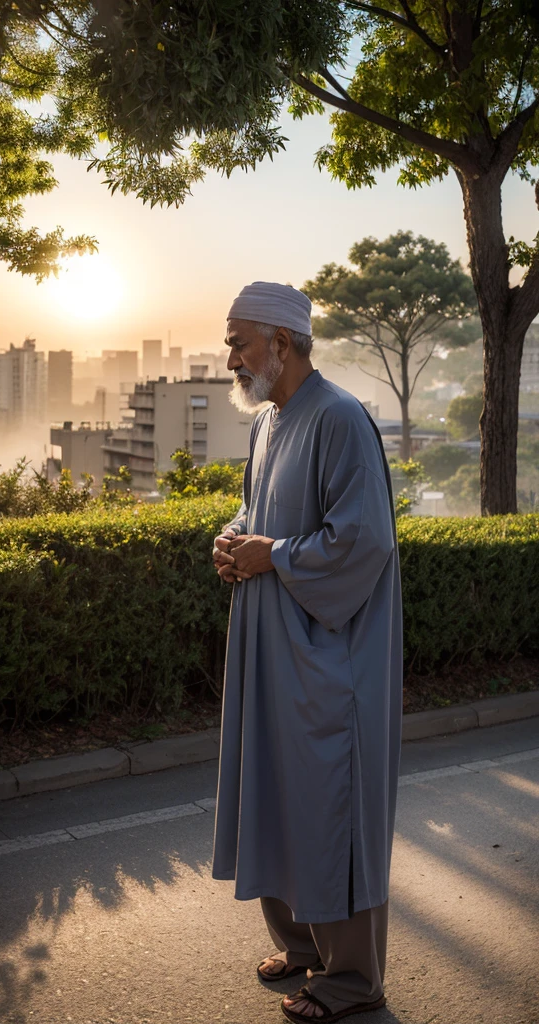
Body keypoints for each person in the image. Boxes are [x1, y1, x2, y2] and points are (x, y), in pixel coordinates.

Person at [211, 281, 402, 1023]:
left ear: (282, 345)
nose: (230, 358)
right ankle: (302, 946)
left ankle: (353, 979)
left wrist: (273, 555)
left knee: (328, 807)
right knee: (278, 795)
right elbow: (263, 514)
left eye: (239, 343)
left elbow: (364, 540)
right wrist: (233, 540)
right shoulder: (271, 423)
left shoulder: (341, 418)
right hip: (272, 656)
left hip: (329, 663)